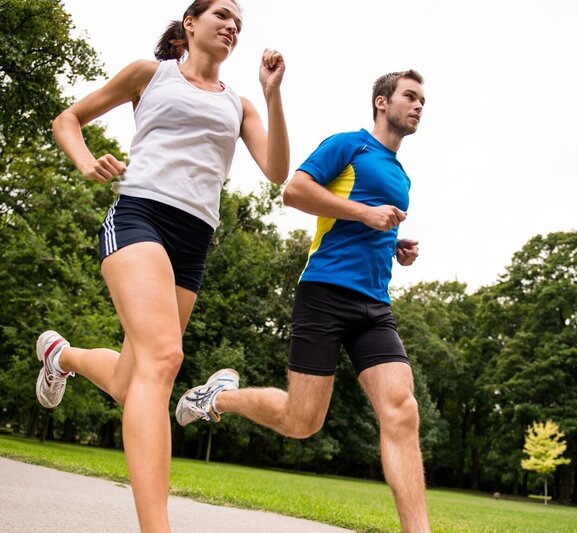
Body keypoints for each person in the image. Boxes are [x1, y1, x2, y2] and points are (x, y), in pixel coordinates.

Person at [35, 1, 289, 531]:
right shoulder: (150, 76)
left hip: (194, 240)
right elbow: (68, 120)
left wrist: (272, 95)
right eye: (221, 14)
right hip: (139, 216)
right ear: (191, 24)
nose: (232, 25)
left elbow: (276, 171)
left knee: (135, 382)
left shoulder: (240, 105)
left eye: (239, 22)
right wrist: (87, 162)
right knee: (165, 358)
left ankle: (62, 356)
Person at [176, 69, 430, 533]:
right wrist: (366, 214)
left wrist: (394, 244)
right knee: (302, 421)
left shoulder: (401, 174)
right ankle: (219, 398)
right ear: (381, 101)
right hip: (325, 294)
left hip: (375, 305)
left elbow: (365, 224)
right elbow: (293, 191)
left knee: (403, 409)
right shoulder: (348, 144)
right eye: (410, 97)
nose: (418, 106)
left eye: (422, 101)